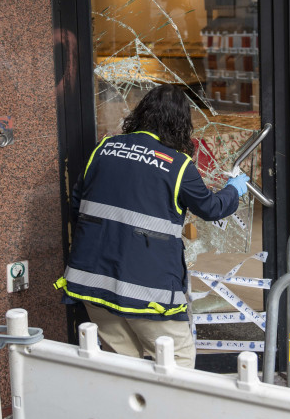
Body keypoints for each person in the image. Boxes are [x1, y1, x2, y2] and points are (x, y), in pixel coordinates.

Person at [54, 85, 249, 368]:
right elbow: (211, 208)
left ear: (142, 114)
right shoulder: (178, 165)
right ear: (180, 123)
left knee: (122, 364)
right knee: (178, 363)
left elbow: (77, 207)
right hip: (147, 292)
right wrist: (235, 189)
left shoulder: (103, 149)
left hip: (91, 281)